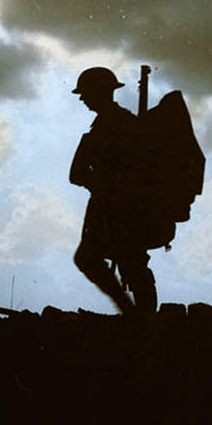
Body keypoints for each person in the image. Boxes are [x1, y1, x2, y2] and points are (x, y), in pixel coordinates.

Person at [69, 67, 161, 314]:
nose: (82, 98)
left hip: (120, 206)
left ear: (101, 92)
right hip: (110, 203)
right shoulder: (112, 123)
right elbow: (78, 172)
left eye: (86, 92)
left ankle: (136, 315)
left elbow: (133, 167)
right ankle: (135, 314)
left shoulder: (117, 124)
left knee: (125, 261)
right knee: (126, 261)